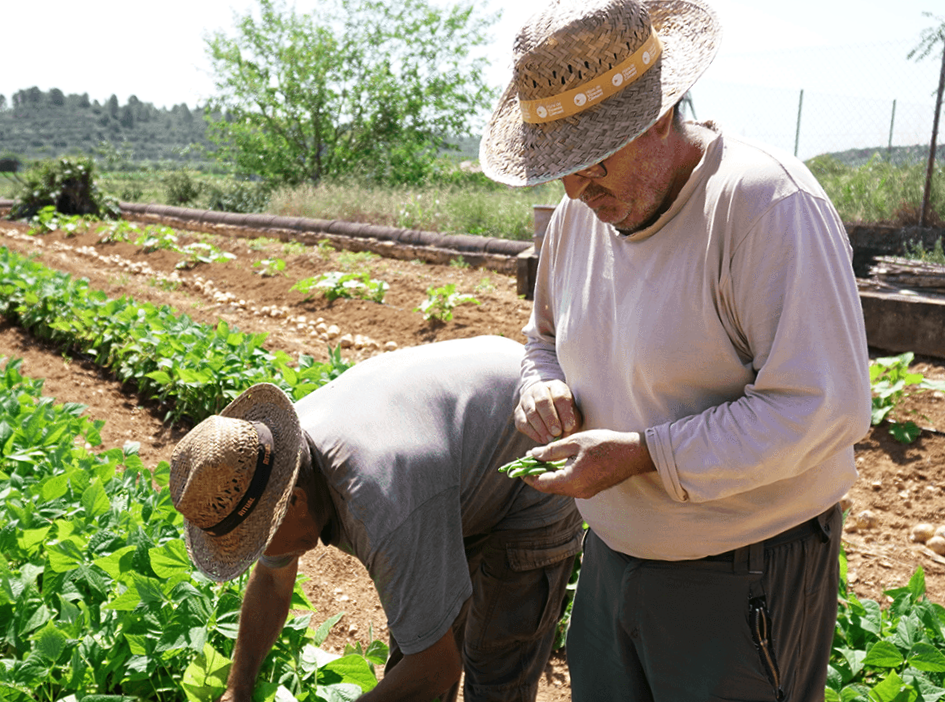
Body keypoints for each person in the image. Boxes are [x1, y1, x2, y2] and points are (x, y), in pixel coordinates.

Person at [479, 0, 871, 700]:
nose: (577, 187)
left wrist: (644, 455)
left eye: (594, 159)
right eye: (560, 166)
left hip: (743, 569)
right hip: (609, 559)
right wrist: (541, 386)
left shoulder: (762, 204)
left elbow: (822, 407)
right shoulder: (576, 220)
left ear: (658, 116)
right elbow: (542, 340)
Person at [169, 336, 583, 702]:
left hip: (532, 450)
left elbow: (436, 669)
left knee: (495, 670)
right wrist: (237, 687)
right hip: (454, 465)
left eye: (257, 542)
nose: (258, 555)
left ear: (293, 503)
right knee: (417, 649)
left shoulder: (380, 505)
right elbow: (273, 581)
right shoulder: (277, 466)